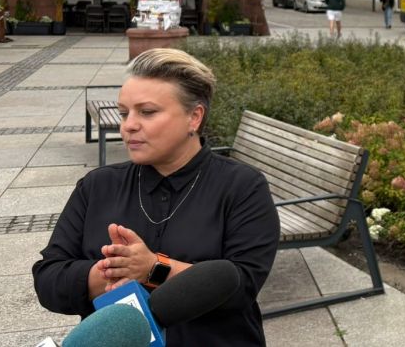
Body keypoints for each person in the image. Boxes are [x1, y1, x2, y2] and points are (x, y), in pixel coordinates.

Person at [33, 48, 280, 346]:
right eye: (124, 113)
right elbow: (48, 278)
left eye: (147, 112)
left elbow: (241, 286)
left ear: (194, 117)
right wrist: (108, 273)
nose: (129, 125)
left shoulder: (243, 187)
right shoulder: (97, 186)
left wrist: (153, 269)